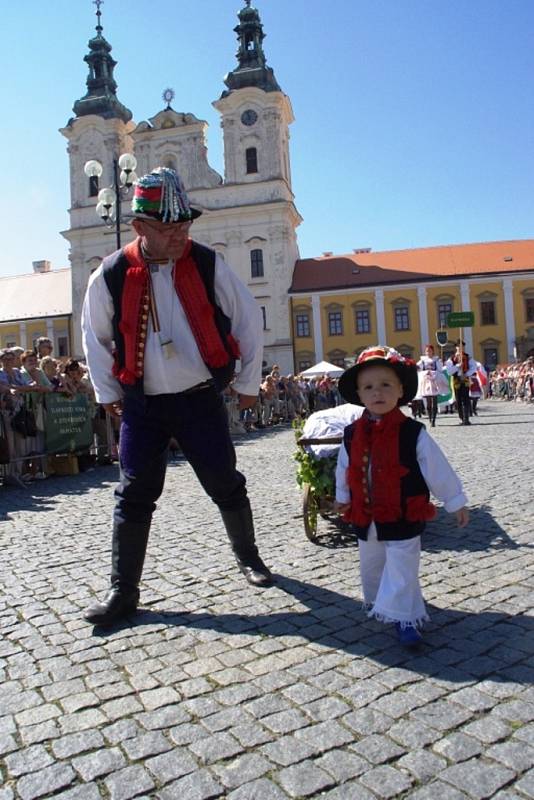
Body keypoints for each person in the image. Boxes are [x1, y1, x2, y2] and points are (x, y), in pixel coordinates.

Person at [81, 167, 273, 626]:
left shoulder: (207, 263)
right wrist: (108, 392)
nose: (179, 235)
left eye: (184, 226)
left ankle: (249, 558)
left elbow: (247, 319)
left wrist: (247, 384)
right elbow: (94, 337)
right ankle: (123, 592)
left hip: (199, 398)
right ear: (140, 228)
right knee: (133, 494)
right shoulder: (110, 274)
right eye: (168, 229)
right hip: (142, 405)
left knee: (224, 480)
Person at [334, 346, 469, 646]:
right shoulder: (351, 433)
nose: (377, 392)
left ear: (400, 391)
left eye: (385, 385)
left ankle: (406, 617)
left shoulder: (413, 432)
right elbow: (345, 467)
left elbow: (437, 468)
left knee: (403, 565)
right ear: (359, 394)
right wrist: (343, 495)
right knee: (372, 565)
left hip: (404, 511)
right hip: (366, 515)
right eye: (369, 387)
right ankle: (380, 605)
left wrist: (454, 500)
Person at [445, 340, 478, 425]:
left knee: (466, 398)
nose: (460, 348)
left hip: (465, 379)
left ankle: (466, 418)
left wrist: (467, 374)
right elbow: (449, 371)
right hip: (456, 379)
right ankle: (461, 417)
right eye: (458, 346)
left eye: (461, 346)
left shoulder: (468, 357)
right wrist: (457, 366)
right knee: (458, 399)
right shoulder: (452, 359)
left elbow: (474, 367)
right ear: (456, 347)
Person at [416, 344, 443, 427]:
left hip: (434, 381)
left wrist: (435, 372)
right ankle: (430, 417)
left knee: (434, 401)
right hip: (426, 382)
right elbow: (418, 368)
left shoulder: (436, 360)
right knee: (428, 402)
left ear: (433, 351)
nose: (428, 352)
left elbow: (440, 370)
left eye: (430, 351)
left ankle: (434, 419)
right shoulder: (422, 361)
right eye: (427, 351)